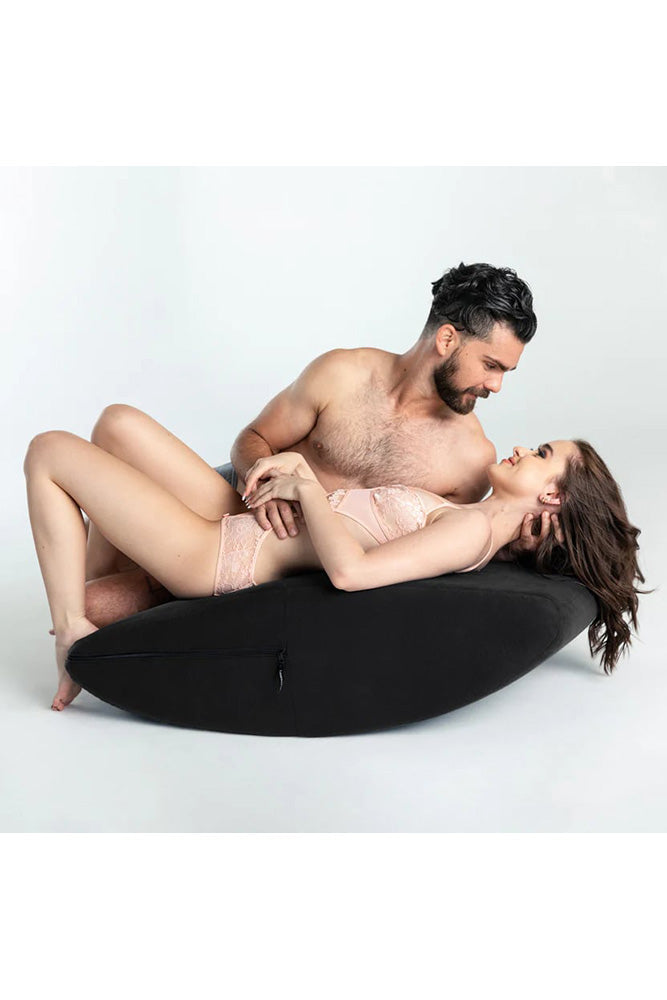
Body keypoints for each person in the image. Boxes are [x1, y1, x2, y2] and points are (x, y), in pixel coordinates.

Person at [24, 426, 643, 714]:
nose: (524, 448)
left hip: (215, 553)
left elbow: (351, 573)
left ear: (552, 496)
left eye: (542, 454)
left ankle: (73, 632)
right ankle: (87, 601)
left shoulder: (471, 533)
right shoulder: (475, 520)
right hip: (247, 519)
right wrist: (297, 484)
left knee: (49, 450)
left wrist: (306, 487)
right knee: (116, 425)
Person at [80, 261, 553, 620]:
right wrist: (263, 484)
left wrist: (513, 547)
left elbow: (435, 552)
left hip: (277, 566)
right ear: (447, 340)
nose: (496, 387)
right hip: (235, 506)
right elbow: (253, 438)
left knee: (92, 604)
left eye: (505, 372)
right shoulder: (342, 374)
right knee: (115, 426)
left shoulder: (472, 459)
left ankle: (121, 584)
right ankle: (103, 572)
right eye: (491, 365)